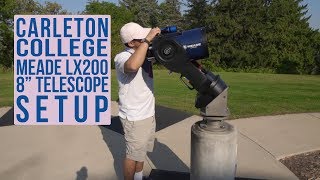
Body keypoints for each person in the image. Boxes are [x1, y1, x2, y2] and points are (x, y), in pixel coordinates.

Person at [114, 22, 161, 180]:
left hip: (148, 113)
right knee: (133, 155)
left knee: (141, 153)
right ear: (130, 43)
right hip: (134, 117)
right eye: (141, 38)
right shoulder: (122, 57)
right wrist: (147, 40)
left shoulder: (145, 52)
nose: (146, 41)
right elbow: (133, 66)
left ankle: (139, 177)